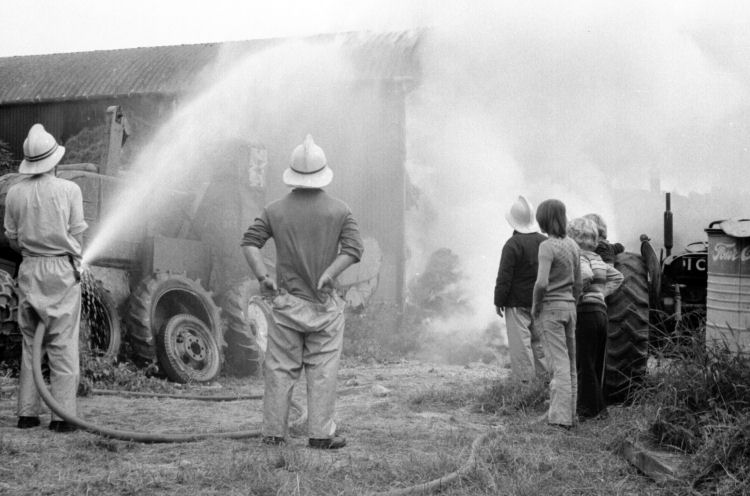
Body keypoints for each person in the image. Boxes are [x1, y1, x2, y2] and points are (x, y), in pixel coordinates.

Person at [241, 135, 363, 450]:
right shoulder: (340, 210)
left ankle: (273, 434)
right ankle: (321, 435)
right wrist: (329, 273)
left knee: (280, 369)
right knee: (323, 370)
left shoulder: (274, 210)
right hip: (324, 306)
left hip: (285, 305)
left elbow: (250, 242)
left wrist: (263, 276)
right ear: (323, 173)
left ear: (292, 174)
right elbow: (353, 249)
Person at [4, 124, 87, 432]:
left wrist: (32, 250)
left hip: (28, 268)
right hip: (60, 270)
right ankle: (62, 417)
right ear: (55, 161)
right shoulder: (70, 190)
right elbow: (78, 233)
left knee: (30, 343)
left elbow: (11, 239)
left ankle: (26, 415)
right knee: (62, 343)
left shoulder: (14, 192)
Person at [531, 199, 581, 430]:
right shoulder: (573, 245)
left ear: (544, 220)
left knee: (558, 365)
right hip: (570, 307)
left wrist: (535, 306)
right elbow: (579, 283)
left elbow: (541, 283)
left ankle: (560, 420)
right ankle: (570, 415)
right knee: (570, 364)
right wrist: (572, 302)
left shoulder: (547, 246)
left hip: (550, 309)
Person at [568, 217, 623, 421]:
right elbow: (618, 277)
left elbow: (585, 275)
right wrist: (601, 294)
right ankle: (599, 409)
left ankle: (587, 410)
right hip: (601, 312)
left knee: (585, 362)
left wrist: (578, 295)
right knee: (598, 362)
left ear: (575, 238)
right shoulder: (598, 258)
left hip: (586, 312)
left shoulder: (580, 257)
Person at [494, 195, 547, 382]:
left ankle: (525, 387)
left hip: (516, 303)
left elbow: (504, 277)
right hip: (541, 302)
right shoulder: (544, 241)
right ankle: (545, 384)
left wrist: (499, 301)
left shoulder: (512, 245)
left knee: (521, 346)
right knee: (540, 344)